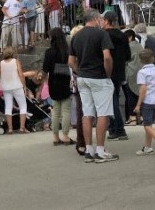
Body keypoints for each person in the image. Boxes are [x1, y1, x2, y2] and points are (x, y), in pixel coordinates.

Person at [68, 9, 118, 163]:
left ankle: (89, 149)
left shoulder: (76, 36)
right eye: (100, 19)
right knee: (103, 113)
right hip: (99, 77)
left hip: (83, 77)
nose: (102, 21)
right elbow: (107, 57)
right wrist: (108, 73)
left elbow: (70, 61)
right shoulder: (101, 34)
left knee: (87, 113)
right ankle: (100, 150)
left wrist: (79, 70)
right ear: (96, 19)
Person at [42, 28, 73, 145]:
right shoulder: (67, 50)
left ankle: (55, 136)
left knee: (55, 111)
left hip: (53, 81)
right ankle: (65, 135)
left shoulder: (49, 52)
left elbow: (45, 69)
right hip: (65, 80)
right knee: (66, 110)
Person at [102, 11, 129, 141]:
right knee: (115, 99)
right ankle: (113, 128)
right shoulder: (123, 36)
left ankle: (118, 128)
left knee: (111, 101)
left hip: (108, 71)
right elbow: (128, 55)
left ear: (107, 21)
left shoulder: (104, 35)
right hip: (119, 71)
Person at [0, 47, 27, 134]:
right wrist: (24, 85)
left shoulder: (1, 63)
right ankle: (22, 128)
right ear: (12, 53)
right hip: (17, 86)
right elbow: (21, 74)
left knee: (8, 107)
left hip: (6, 88)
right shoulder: (15, 61)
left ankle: (10, 129)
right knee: (23, 106)